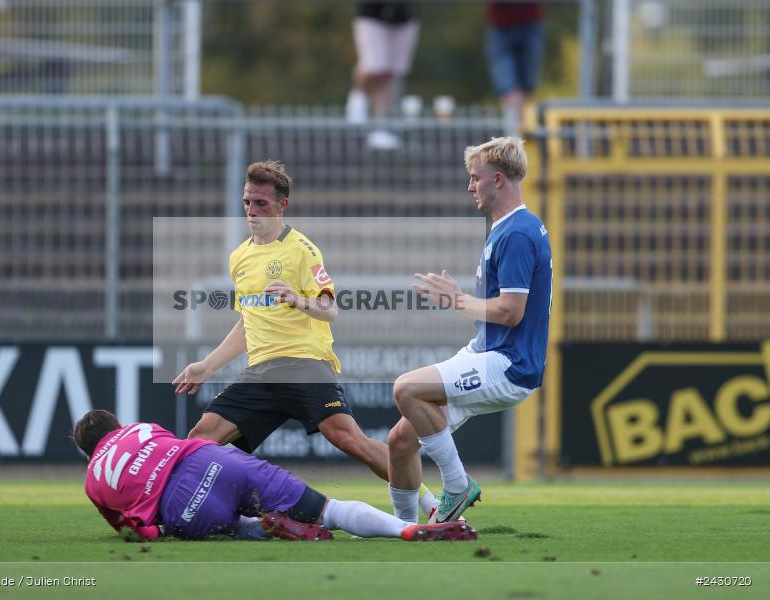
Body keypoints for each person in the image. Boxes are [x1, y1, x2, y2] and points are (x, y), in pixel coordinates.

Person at [173, 160, 438, 521]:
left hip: (302, 365)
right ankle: (194, 512)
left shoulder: (302, 250)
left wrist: (297, 300)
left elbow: (330, 310)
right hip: (260, 373)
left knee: (350, 440)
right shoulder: (240, 256)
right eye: (247, 202)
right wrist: (207, 366)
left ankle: (431, 503)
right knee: (200, 439)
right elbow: (248, 322)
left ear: (282, 205)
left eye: (261, 203)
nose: (252, 210)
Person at [387, 137, 551, 523]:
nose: (470, 186)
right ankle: (405, 528)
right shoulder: (508, 228)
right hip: (488, 351)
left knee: (405, 389)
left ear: (498, 179)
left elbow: (511, 312)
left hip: (510, 364)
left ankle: (458, 486)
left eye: (475, 177)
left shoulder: (517, 233)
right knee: (400, 441)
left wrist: (458, 300)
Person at [73, 409, 477, 542]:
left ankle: (263, 529)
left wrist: (160, 530)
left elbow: (136, 529)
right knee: (331, 510)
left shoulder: (93, 481)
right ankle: (405, 529)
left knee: (231, 526)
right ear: (117, 425)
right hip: (214, 462)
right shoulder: (140, 428)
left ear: (89, 453)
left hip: (183, 506)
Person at [345, 2, 420, 150]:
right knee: (374, 65)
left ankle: (381, 127)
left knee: (390, 73)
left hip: (404, 16)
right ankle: (358, 96)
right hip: (372, 14)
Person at [485, 1, 544, 135]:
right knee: (507, 85)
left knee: (527, 83)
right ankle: (515, 128)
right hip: (501, 25)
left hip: (530, 23)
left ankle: (517, 128)